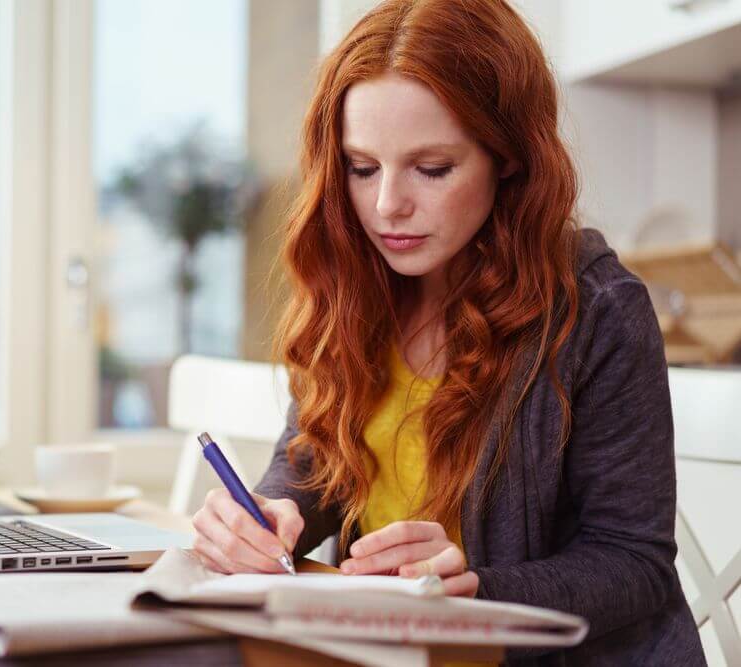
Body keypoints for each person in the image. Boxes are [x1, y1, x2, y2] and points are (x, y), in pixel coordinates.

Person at [190, 0, 705, 664]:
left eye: (432, 169)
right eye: (361, 166)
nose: (386, 206)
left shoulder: (600, 309)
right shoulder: (358, 287)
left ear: (510, 159)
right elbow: (313, 463)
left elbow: (635, 564)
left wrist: (478, 590)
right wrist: (266, 518)